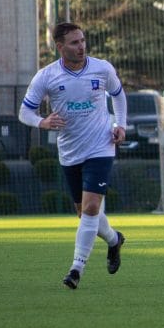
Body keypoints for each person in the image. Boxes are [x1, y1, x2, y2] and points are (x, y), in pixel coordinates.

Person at [18, 22, 127, 289]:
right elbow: (24, 113)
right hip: (69, 152)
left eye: (83, 41)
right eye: (74, 43)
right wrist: (42, 123)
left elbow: (119, 95)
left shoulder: (102, 68)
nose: (81, 47)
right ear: (60, 47)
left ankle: (76, 268)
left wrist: (121, 125)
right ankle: (114, 240)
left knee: (91, 207)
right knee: (84, 213)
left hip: (101, 146)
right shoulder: (46, 76)